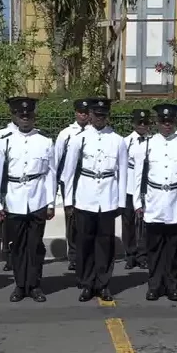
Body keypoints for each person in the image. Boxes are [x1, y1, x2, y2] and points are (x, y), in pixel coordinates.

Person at [0, 97, 56, 303]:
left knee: (35, 246)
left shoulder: (44, 141)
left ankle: (34, 285)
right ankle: (20, 285)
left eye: (29, 115)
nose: (25, 119)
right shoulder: (4, 139)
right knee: (17, 246)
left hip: (37, 200)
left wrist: (51, 202)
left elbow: (50, 174)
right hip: (14, 199)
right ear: (15, 117)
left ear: (34, 117)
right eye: (21, 115)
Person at [62, 97, 127, 302]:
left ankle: (104, 283)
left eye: (103, 115)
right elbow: (69, 172)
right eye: (96, 115)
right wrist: (68, 201)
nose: (100, 118)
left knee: (105, 243)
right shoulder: (79, 138)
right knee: (85, 242)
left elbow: (123, 173)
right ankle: (87, 283)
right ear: (90, 115)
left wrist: (121, 202)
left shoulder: (117, 140)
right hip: (85, 196)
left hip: (107, 197)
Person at [133, 103, 177, 301]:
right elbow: (138, 176)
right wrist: (137, 202)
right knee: (153, 248)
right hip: (154, 202)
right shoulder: (147, 144)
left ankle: (171, 285)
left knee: (172, 249)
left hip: (176, 203)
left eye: (170, 121)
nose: (167, 125)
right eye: (163, 121)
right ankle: (154, 285)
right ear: (157, 122)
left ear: (176, 122)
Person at [54, 99, 89, 270]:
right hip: (69, 182)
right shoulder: (66, 133)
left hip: (87, 183)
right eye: (80, 112)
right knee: (72, 219)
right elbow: (56, 159)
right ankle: (73, 255)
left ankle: (86, 253)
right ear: (75, 113)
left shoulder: (93, 133)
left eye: (86, 112)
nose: (83, 115)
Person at [0, 98, 23, 271]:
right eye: (16, 112)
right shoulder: (1, 134)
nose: (19, 115)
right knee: (8, 224)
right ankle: (9, 255)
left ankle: (19, 255)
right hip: (6, 184)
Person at [121, 109, 151, 269]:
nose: (142, 125)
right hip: (129, 187)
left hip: (146, 188)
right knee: (128, 223)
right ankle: (130, 255)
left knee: (145, 222)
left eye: (145, 122)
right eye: (139, 122)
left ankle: (143, 254)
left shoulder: (152, 142)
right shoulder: (126, 142)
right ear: (133, 123)